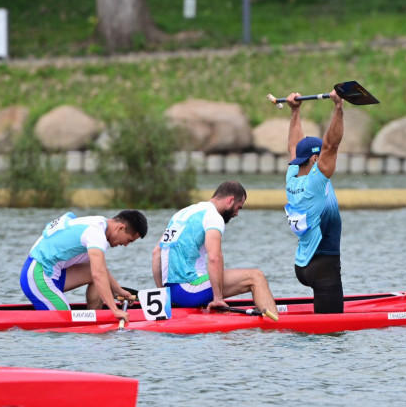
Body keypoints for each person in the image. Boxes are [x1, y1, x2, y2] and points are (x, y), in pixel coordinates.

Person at [152, 180, 278, 316]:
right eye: (239, 207)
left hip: (172, 292)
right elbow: (214, 258)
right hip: (188, 290)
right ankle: (277, 326)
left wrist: (164, 295)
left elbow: (157, 253)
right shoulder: (213, 217)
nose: (237, 213)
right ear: (230, 200)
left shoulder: (182, 214)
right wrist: (218, 298)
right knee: (256, 277)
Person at [20, 210, 148, 323]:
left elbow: (100, 269)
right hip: (37, 276)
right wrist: (115, 310)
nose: (126, 245)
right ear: (120, 228)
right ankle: (90, 323)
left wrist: (118, 290)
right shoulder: (96, 234)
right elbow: (98, 274)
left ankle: (94, 321)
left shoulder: (99, 223)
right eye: (129, 240)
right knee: (64, 324)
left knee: (92, 271)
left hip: (54, 272)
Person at [284, 89, 345, 313]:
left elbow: (294, 145)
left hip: (302, 265)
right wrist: (338, 108)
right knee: (332, 337)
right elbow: (332, 145)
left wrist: (295, 111)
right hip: (324, 268)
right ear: (314, 158)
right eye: (321, 156)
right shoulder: (315, 183)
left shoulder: (291, 175)